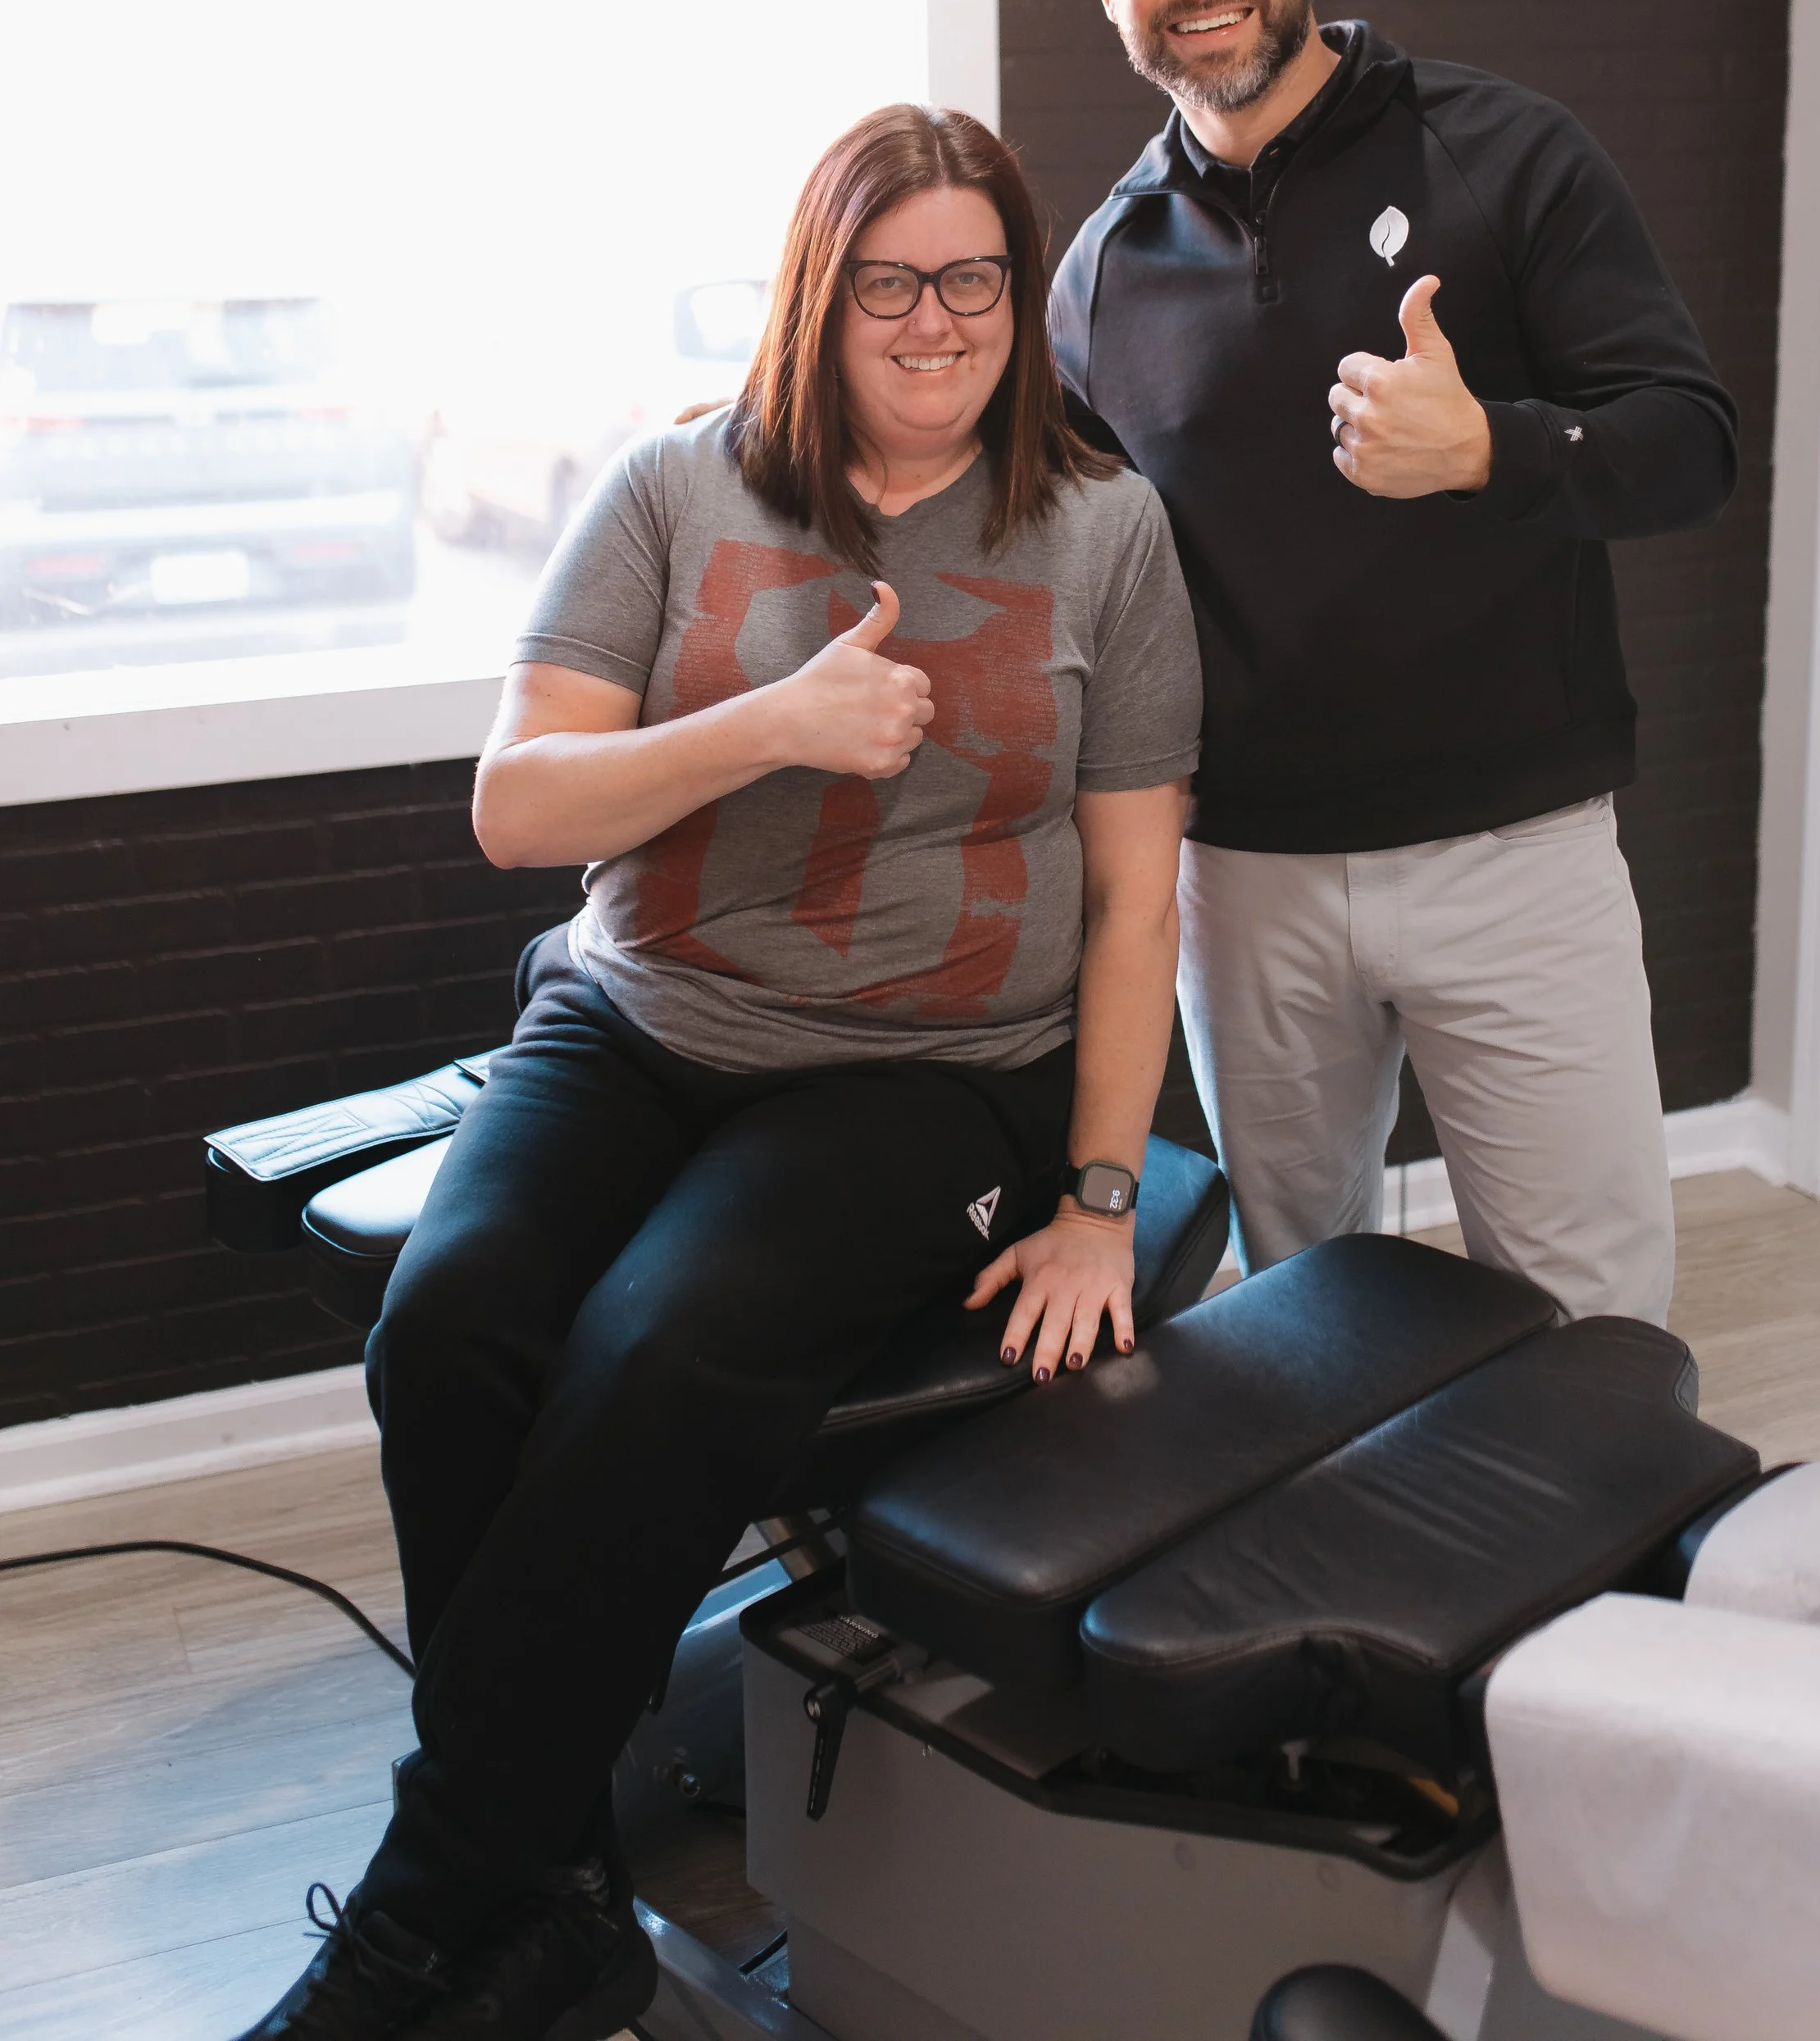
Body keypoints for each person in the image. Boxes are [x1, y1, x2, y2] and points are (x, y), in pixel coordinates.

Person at [239, 104, 1199, 2041]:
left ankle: (428, 1920)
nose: (935, 321)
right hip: (634, 1016)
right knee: (450, 1328)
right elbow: (520, 806)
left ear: (1020, 294)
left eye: (975, 279)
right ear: (814, 295)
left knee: (662, 1350)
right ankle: (559, 1882)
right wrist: (776, 721)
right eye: (886, 282)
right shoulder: (679, 488)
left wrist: (1103, 1196)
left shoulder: (1103, 528)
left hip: (932, 1078)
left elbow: (1132, 899)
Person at [1050, 0, 1736, 1327]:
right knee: (1304, 1306)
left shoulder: (1506, 152)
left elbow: (1692, 443)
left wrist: (1493, 447)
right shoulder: (1100, 273)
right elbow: (1085, 585)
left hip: (1517, 858)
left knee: (1593, 1315)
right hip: (1243, 884)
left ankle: (1597, 1576)